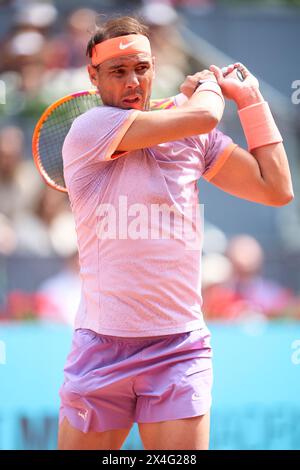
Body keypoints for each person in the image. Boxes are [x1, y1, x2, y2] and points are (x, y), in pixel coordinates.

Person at [57, 16, 293, 450]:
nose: (133, 82)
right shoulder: (89, 130)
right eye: (118, 71)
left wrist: (251, 99)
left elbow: (276, 189)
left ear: (154, 66)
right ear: (93, 76)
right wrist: (209, 87)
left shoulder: (191, 137)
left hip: (179, 349)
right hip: (101, 349)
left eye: (142, 69)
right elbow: (204, 114)